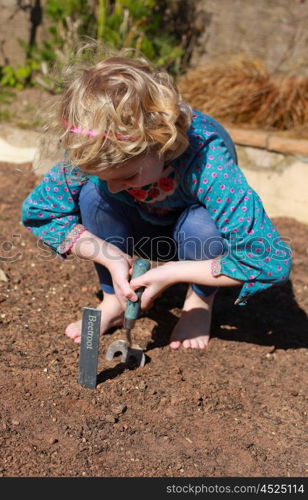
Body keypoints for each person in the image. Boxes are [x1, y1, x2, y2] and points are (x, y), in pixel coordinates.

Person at [21, 48, 292, 350]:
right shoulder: (94, 143)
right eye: (106, 176)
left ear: (162, 145)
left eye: (128, 176)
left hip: (191, 238)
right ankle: (114, 298)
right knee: (93, 195)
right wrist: (107, 256)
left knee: (203, 224)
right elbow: (43, 212)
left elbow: (267, 259)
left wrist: (173, 271)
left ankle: (198, 302)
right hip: (137, 226)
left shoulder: (207, 160)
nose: (114, 188)